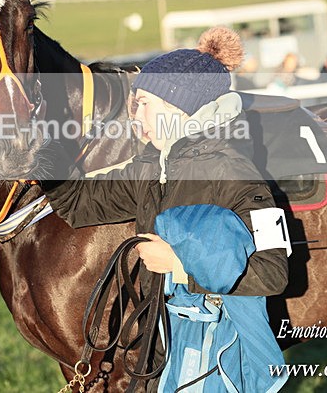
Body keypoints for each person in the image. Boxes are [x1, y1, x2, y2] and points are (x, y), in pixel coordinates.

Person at [43, 26, 289, 392]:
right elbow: (80, 203)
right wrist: (39, 160)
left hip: (214, 354)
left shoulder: (235, 174)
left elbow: (273, 272)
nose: (135, 115)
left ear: (177, 108)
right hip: (163, 344)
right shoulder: (150, 166)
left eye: (143, 104)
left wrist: (180, 265)